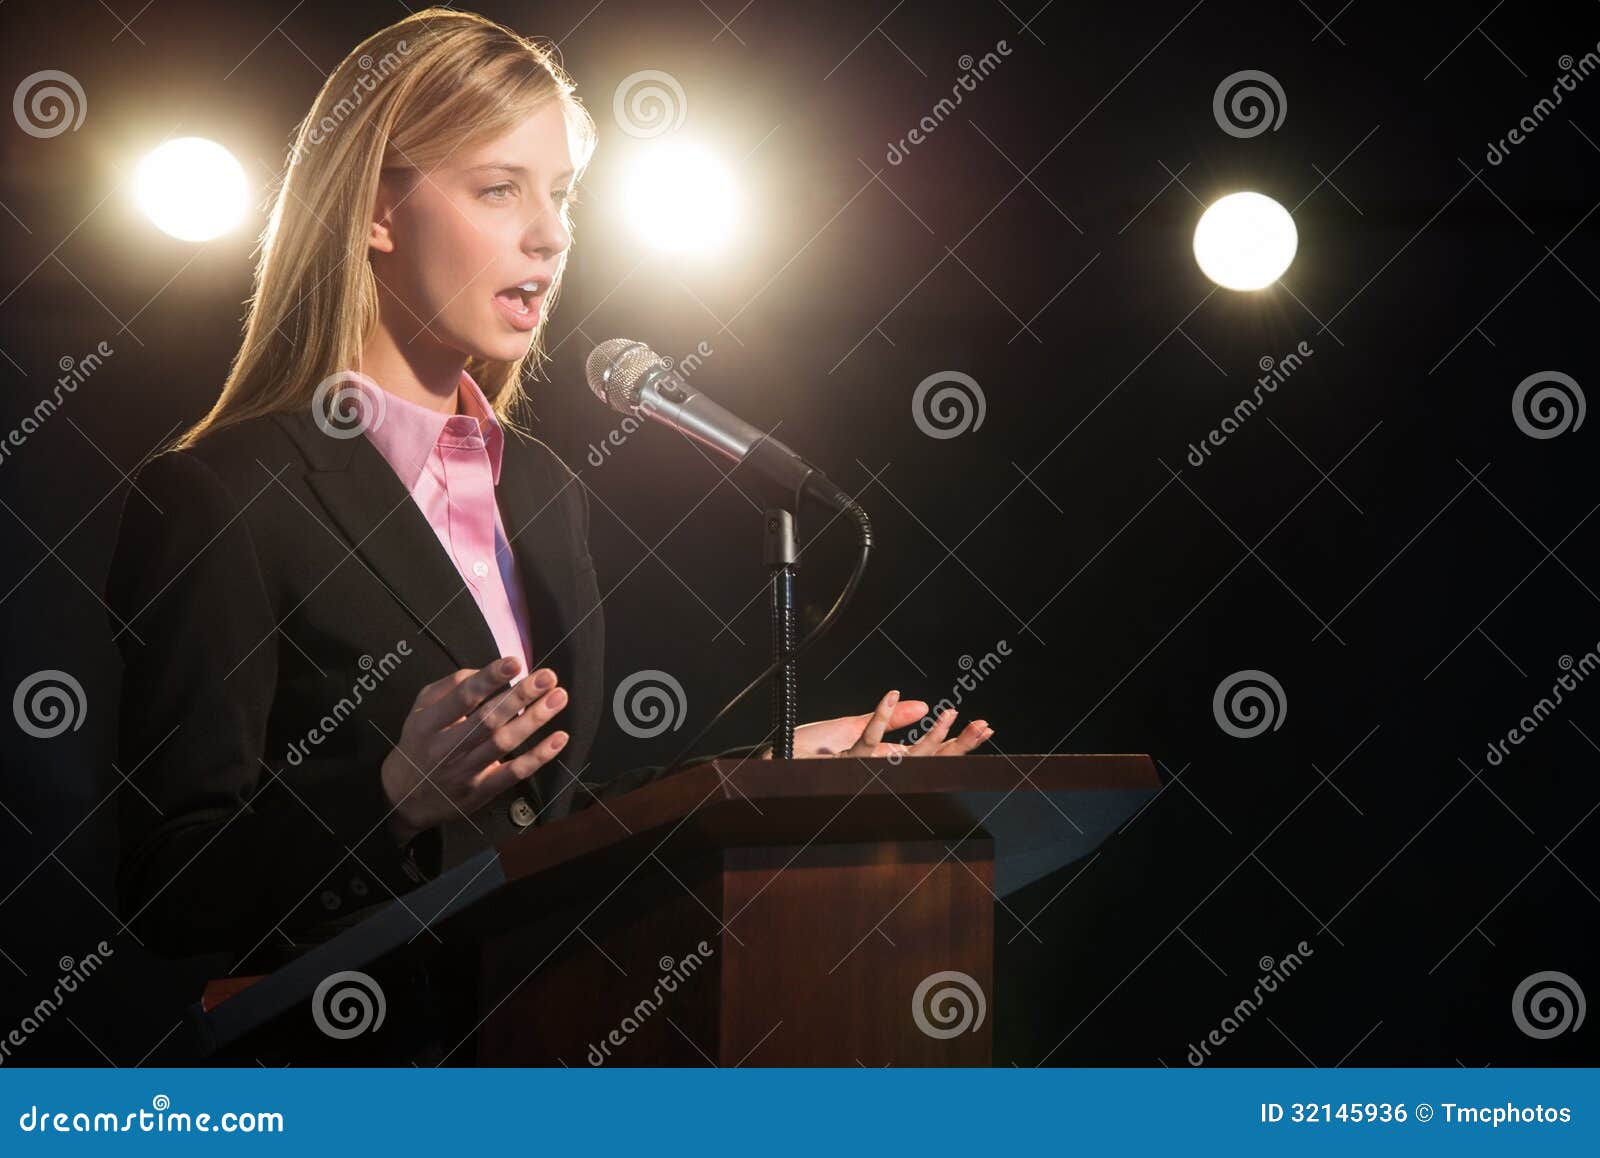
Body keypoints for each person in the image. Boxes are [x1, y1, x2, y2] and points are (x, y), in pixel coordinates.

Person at [104, 8, 995, 971]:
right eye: (498, 190)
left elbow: (539, 834)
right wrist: (390, 796)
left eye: (562, 196)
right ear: (374, 210)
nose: (552, 235)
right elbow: (172, 890)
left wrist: (766, 779)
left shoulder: (538, 488)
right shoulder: (222, 494)